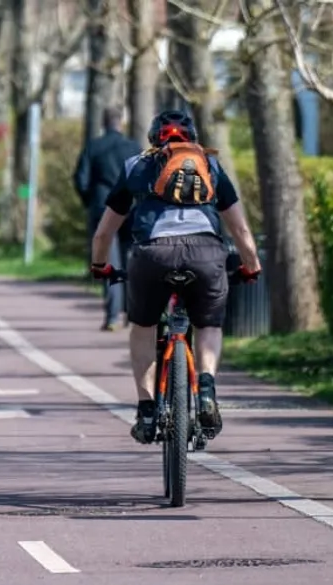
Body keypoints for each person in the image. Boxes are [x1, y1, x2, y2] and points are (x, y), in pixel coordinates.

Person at [87, 110, 262, 444]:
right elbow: (239, 228)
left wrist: (100, 266)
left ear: (154, 140)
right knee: (209, 325)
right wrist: (251, 265)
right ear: (193, 139)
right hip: (207, 254)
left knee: (143, 326)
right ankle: (207, 385)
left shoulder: (136, 167)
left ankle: (147, 409)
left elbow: (103, 234)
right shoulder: (210, 166)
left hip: (152, 255)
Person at [72, 106, 141, 330]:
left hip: (103, 208)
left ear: (103, 122)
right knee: (132, 260)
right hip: (131, 208)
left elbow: (80, 179)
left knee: (110, 263)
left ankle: (112, 317)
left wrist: (89, 202)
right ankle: (133, 313)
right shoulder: (133, 148)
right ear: (121, 121)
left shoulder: (94, 147)